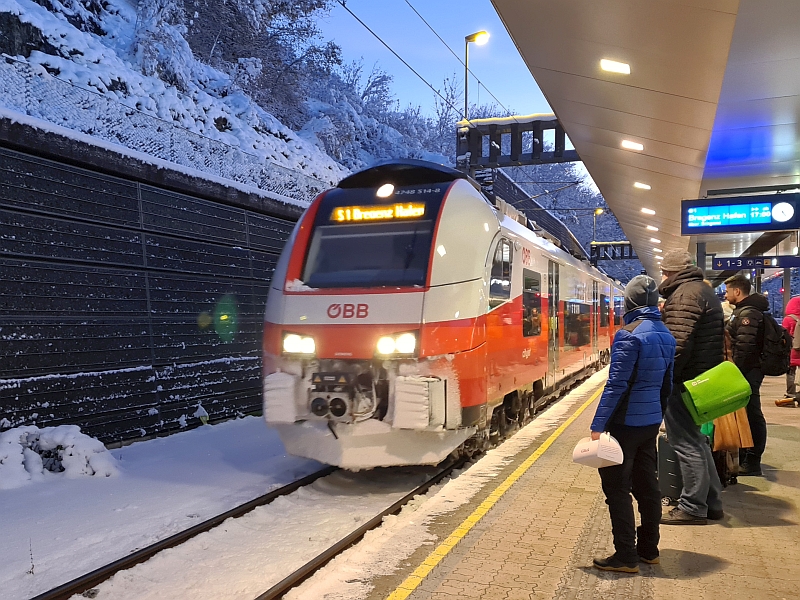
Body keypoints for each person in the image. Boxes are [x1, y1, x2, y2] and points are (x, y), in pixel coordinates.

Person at [591, 276, 675, 573]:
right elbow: (668, 384)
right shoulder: (665, 333)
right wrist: (658, 413)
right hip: (650, 421)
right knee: (647, 486)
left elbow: (616, 385)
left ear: (629, 303)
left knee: (616, 487)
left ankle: (625, 555)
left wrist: (598, 425)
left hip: (625, 423)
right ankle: (649, 549)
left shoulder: (628, 334)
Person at [658, 250, 725, 525]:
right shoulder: (702, 290)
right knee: (697, 441)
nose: (662, 277)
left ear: (670, 272)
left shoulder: (685, 295)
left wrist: (663, 377)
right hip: (699, 377)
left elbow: (677, 343)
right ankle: (712, 502)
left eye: (663, 272)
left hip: (685, 380)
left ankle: (693, 506)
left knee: (685, 442)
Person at [724, 274, 769, 475]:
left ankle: (753, 460)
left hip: (748, 372)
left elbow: (745, 347)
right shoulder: (744, 311)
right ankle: (746, 455)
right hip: (748, 371)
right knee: (748, 412)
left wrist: (733, 372)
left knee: (752, 413)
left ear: (737, 291)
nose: (726, 295)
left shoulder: (747, 314)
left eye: (727, 291)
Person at [780, 295, 800, 407]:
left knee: (791, 372)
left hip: (792, 350)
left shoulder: (788, 319)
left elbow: (783, 335)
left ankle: (790, 393)